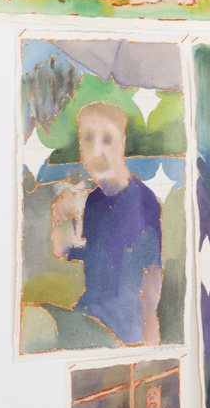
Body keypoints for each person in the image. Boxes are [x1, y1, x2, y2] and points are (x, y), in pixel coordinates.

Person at [49, 101, 164, 345]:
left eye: (107, 140)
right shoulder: (95, 200)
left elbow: (150, 290)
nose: (95, 151)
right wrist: (62, 220)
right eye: (88, 139)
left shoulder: (143, 202)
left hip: (118, 334)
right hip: (87, 318)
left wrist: (148, 352)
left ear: (122, 143)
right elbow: (69, 253)